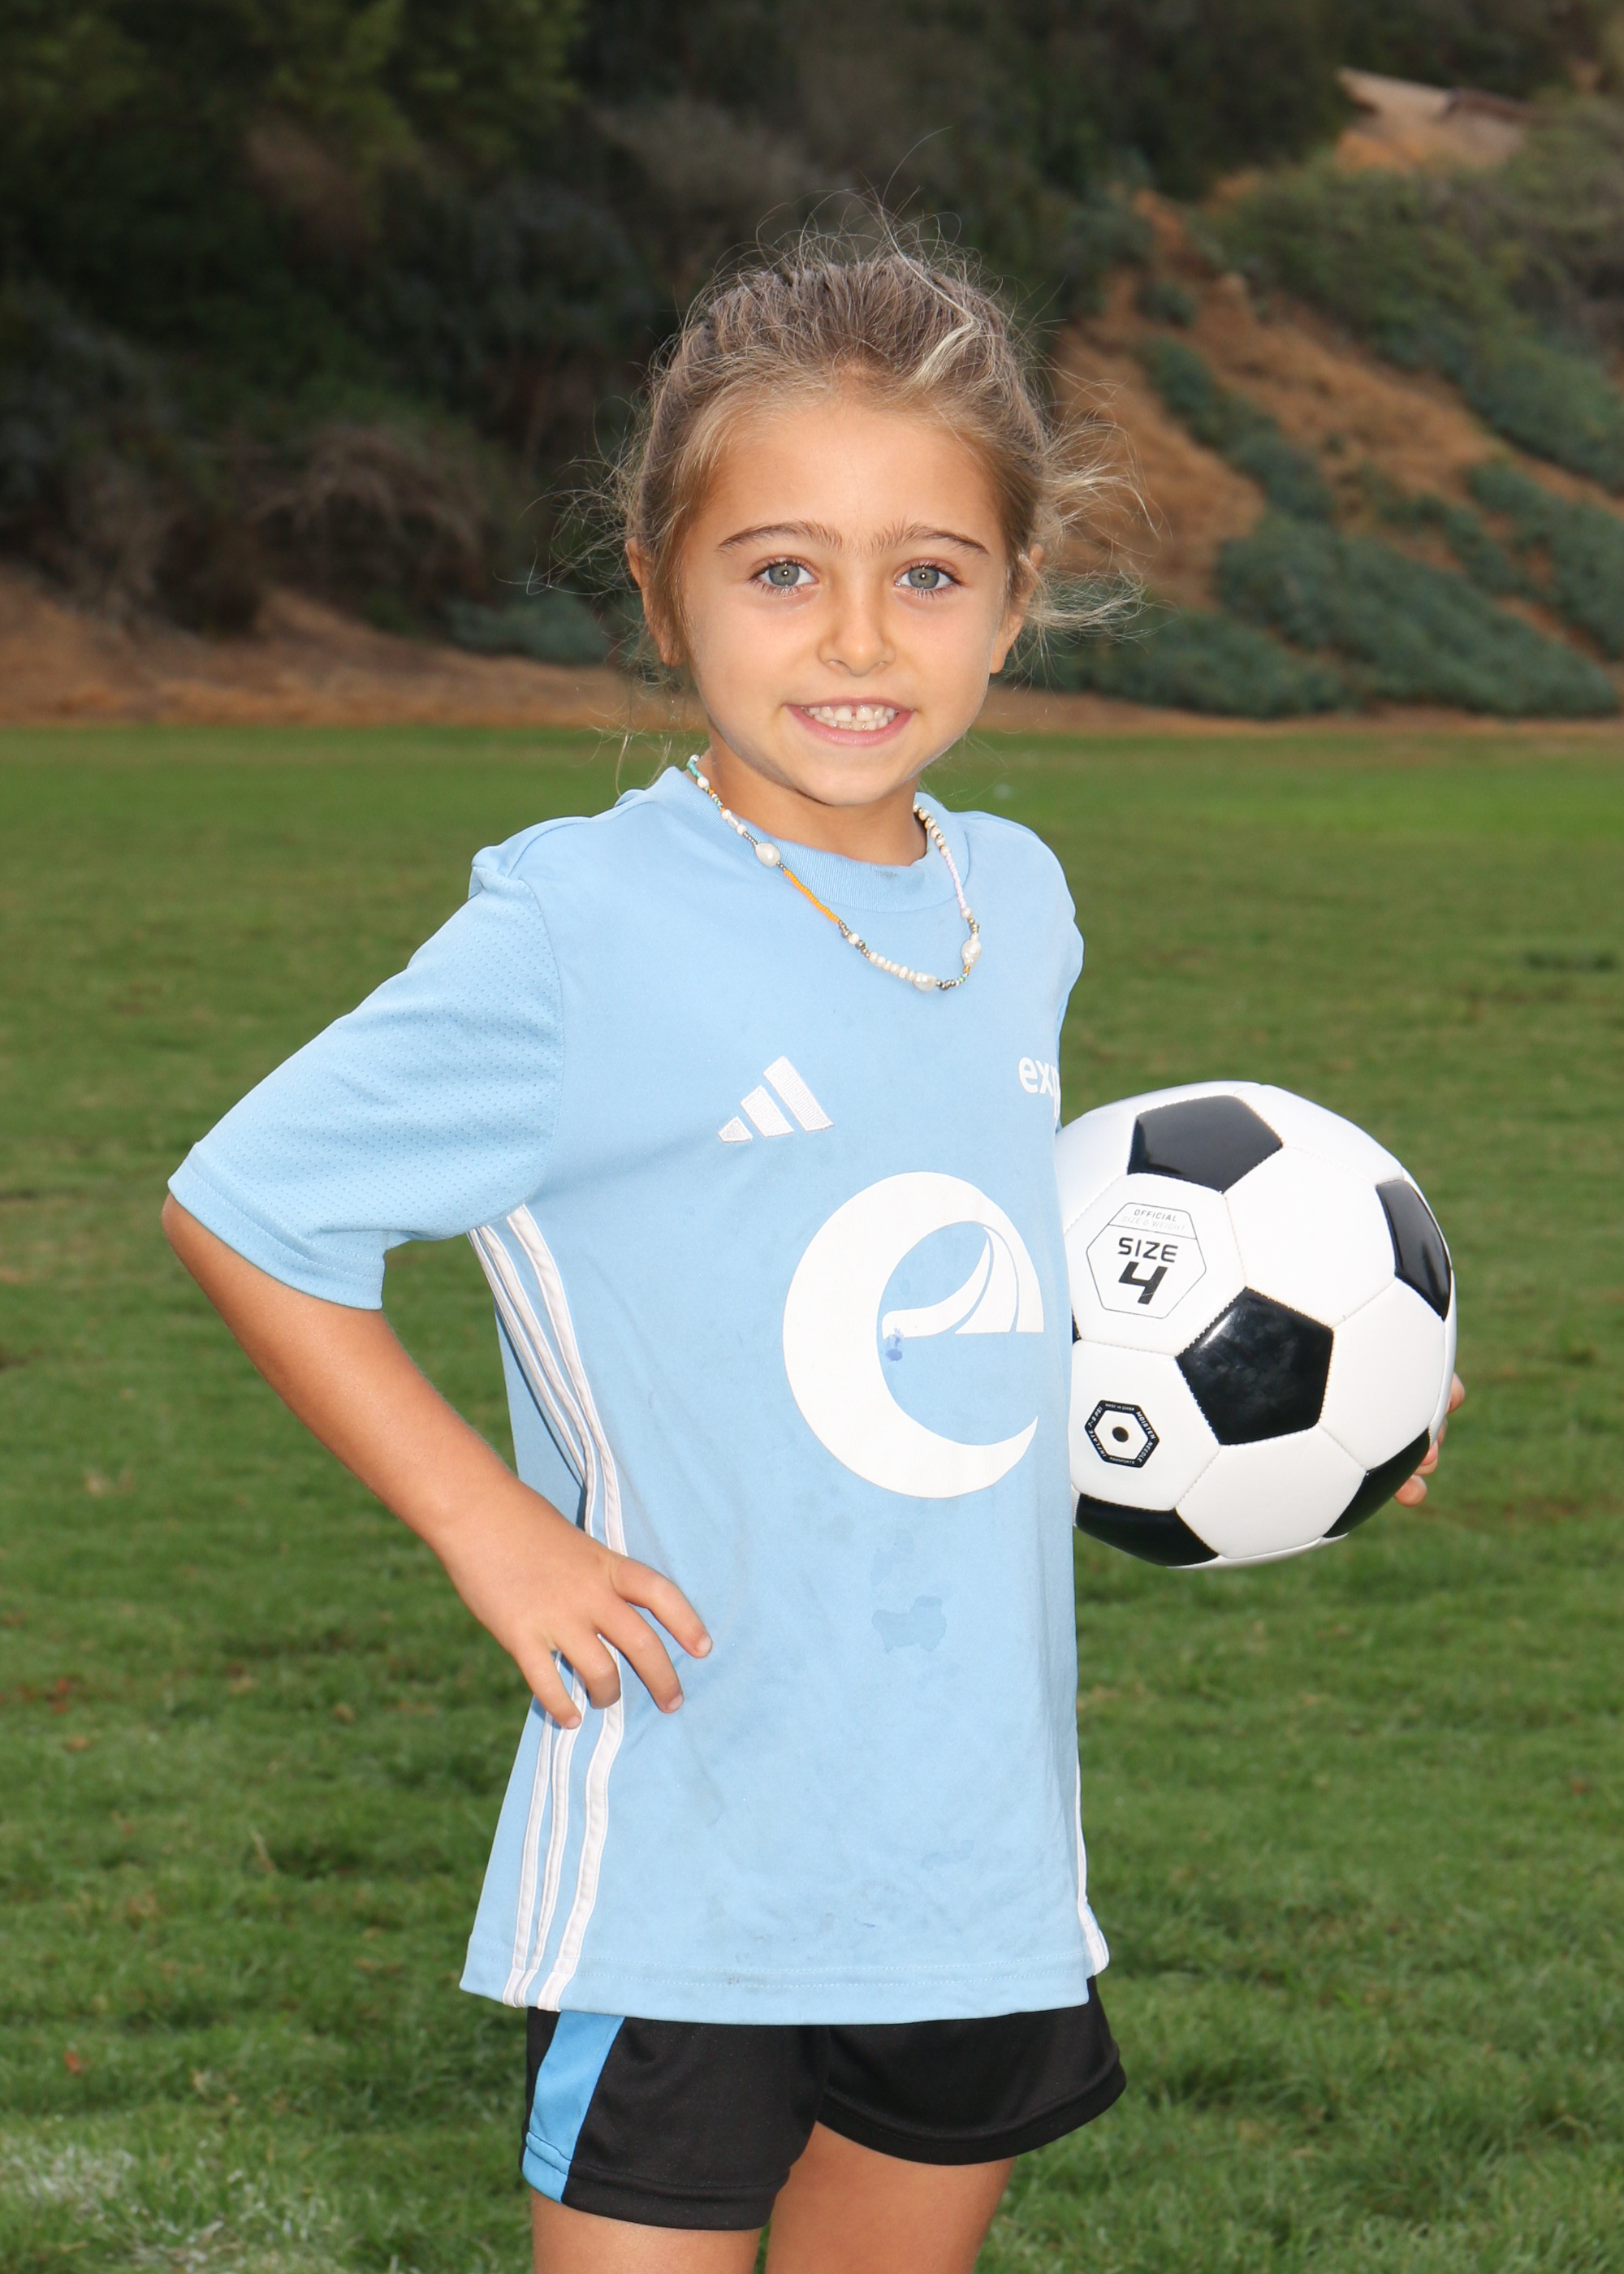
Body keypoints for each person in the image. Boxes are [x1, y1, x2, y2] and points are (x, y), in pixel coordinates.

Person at [162, 232, 1462, 2274]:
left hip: (971, 1854)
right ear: (658, 583)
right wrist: (496, 1533)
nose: (857, 634)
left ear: (1015, 599)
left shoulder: (1016, 898)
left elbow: (975, 1252)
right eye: (780, 568)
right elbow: (249, 1204)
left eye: (928, 573)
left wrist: (1326, 1395)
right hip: (693, 1844)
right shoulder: (581, 927)